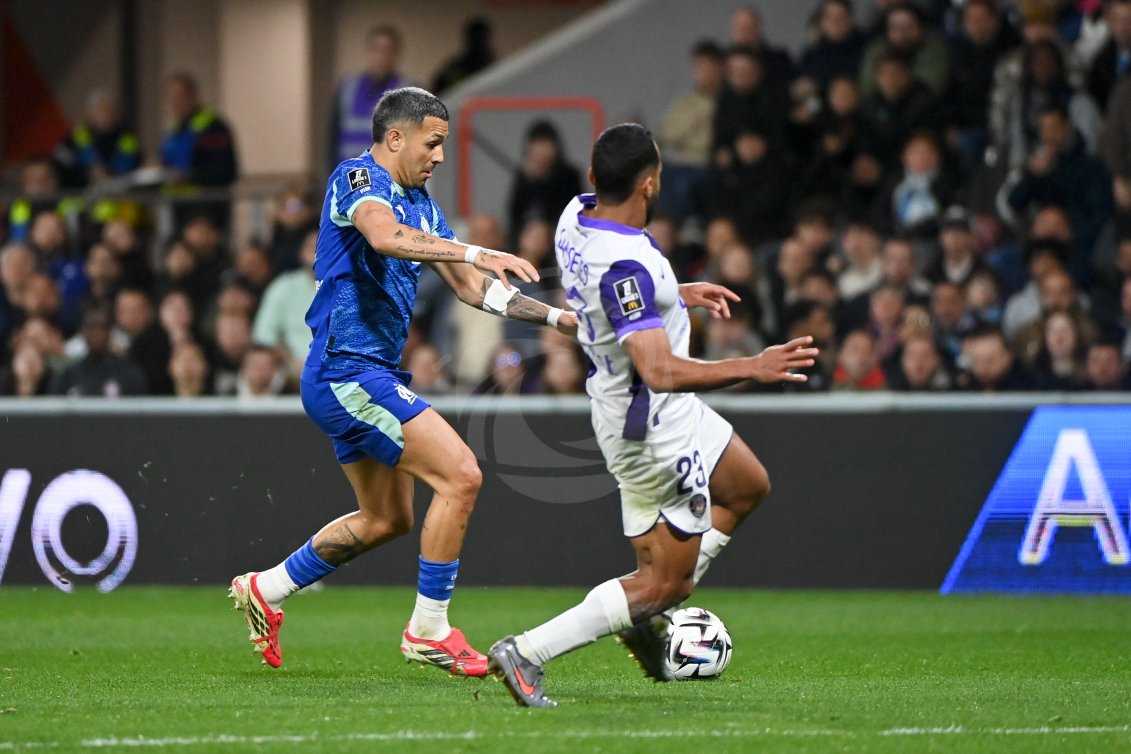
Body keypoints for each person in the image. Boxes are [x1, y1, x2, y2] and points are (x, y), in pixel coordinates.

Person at [229, 87, 577, 677]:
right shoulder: (358, 180)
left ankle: (266, 586)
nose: (440, 156)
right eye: (433, 142)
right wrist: (474, 249)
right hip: (347, 370)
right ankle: (428, 630)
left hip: (367, 373)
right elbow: (384, 237)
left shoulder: (425, 207)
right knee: (462, 475)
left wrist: (555, 317)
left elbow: (473, 290)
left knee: (387, 519)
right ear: (396, 138)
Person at [486, 123, 818, 707]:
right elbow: (659, 367)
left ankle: (641, 613)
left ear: (594, 178)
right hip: (651, 425)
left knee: (745, 487)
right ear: (648, 183)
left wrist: (675, 294)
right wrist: (755, 365)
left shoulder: (576, 213)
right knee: (666, 583)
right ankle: (528, 651)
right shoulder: (626, 269)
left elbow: (617, 300)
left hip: (665, 410)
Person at [160, 72, 239, 230]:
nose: (175, 102)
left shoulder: (213, 126)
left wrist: (188, 176)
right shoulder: (174, 130)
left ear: (192, 95)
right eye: (171, 98)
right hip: (178, 210)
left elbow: (225, 169)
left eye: (179, 96)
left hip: (206, 210)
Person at [329, 25, 409, 168]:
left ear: (397, 54)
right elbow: (332, 141)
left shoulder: (407, 93)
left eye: (386, 50)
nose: (380, 56)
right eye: (375, 49)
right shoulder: (348, 89)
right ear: (368, 52)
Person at [53, 89, 141, 189]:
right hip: (81, 191)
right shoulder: (78, 136)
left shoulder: (128, 139)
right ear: (91, 113)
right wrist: (87, 173)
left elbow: (135, 168)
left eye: (111, 109)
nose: (107, 114)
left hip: (120, 193)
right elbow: (60, 161)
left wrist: (108, 173)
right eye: (101, 109)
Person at [431, 17, 495, 95]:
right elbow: (438, 88)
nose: (480, 43)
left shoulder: (493, 68)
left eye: (482, 39)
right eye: (477, 38)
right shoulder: (455, 69)